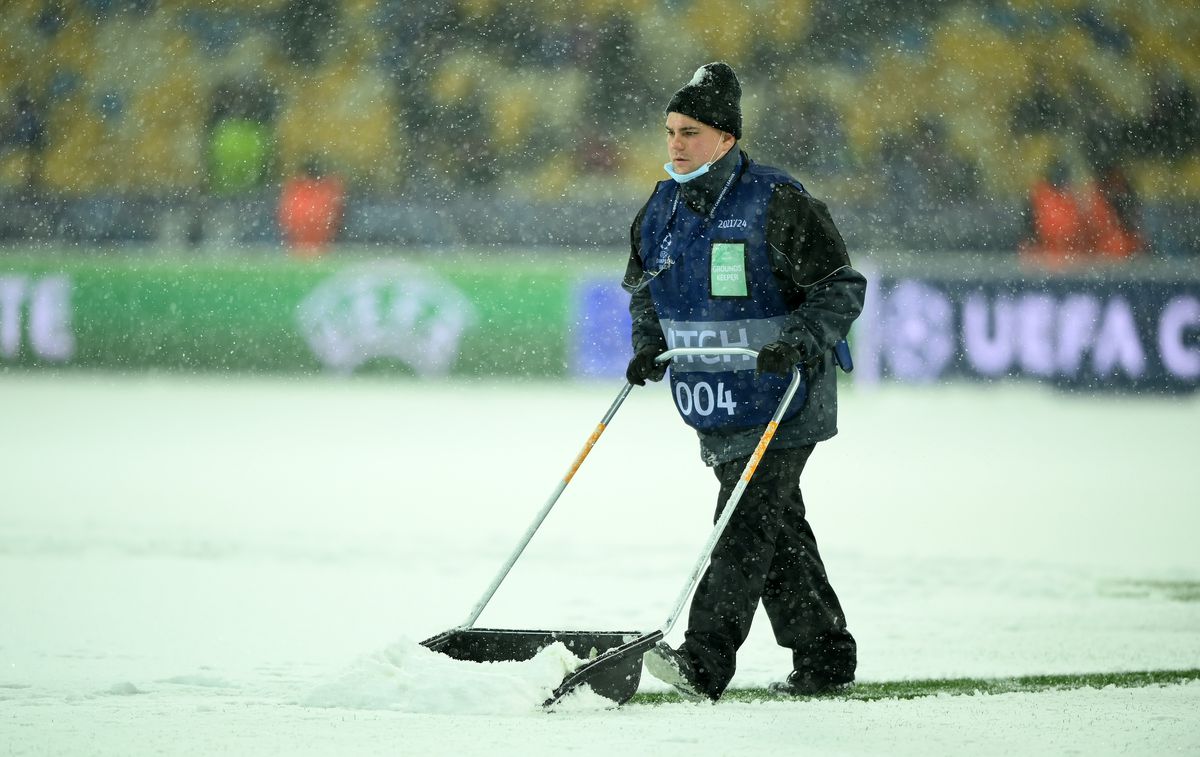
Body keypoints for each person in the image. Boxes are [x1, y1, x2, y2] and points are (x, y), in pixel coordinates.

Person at [622, 62, 865, 700]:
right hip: (714, 400)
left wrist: (800, 340)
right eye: (670, 130)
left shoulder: (777, 201)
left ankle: (704, 661)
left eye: (691, 132)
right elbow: (644, 294)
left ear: (726, 139)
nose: (675, 143)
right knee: (776, 528)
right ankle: (826, 653)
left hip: (786, 397)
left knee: (742, 520)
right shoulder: (659, 210)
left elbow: (840, 287)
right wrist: (648, 344)